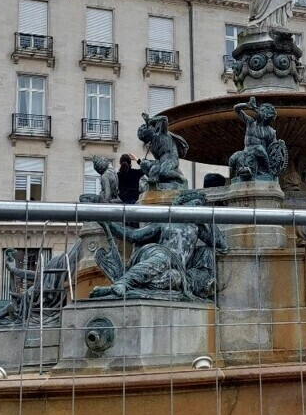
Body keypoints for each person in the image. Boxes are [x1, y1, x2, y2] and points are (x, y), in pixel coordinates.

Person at [90, 190, 228, 302]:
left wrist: (208, 219)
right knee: (164, 258)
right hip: (155, 253)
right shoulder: (165, 221)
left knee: (175, 278)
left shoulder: (197, 227)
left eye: (202, 206)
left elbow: (221, 244)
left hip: (177, 267)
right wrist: (110, 223)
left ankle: (114, 288)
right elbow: (133, 236)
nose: (199, 208)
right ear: (182, 204)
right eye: (197, 204)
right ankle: (124, 282)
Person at [227, 96, 287, 180]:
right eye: (259, 109)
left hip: (261, 159)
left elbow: (273, 149)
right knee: (232, 159)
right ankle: (238, 173)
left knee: (260, 148)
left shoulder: (271, 131)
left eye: (262, 110)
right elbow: (236, 108)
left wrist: (279, 148)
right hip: (246, 153)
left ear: (268, 116)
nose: (258, 111)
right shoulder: (250, 123)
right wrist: (247, 105)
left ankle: (267, 171)